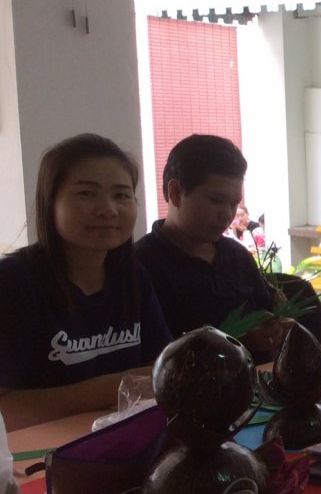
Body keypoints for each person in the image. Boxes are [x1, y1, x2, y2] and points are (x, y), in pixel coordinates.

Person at [0, 134, 171, 429]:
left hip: (121, 439)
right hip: (41, 451)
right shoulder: (13, 281)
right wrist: (110, 388)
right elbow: (7, 411)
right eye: (87, 194)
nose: (108, 209)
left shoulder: (133, 276)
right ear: (50, 202)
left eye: (122, 195)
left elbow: (161, 371)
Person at [135, 134, 287, 364]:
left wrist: (276, 331)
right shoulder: (140, 266)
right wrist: (239, 343)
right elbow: (156, 360)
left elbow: (265, 316)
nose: (227, 214)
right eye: (216, 200)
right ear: (175, 193)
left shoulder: (237, 257)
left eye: (234, 204)